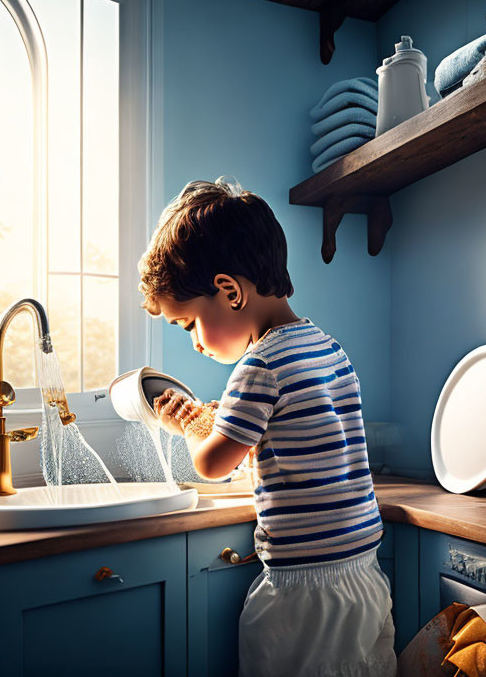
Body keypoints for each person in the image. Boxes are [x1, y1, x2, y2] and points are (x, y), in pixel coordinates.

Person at [138, 177, 396, 677]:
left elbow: (212, 464)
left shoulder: (259, 366)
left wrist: (190, 428)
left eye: (189, 324)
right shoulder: (328, 348)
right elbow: (308, 446)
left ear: (229, 291)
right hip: (363, 572)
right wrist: (237, 426)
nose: (195, 343)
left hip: (303, 590)